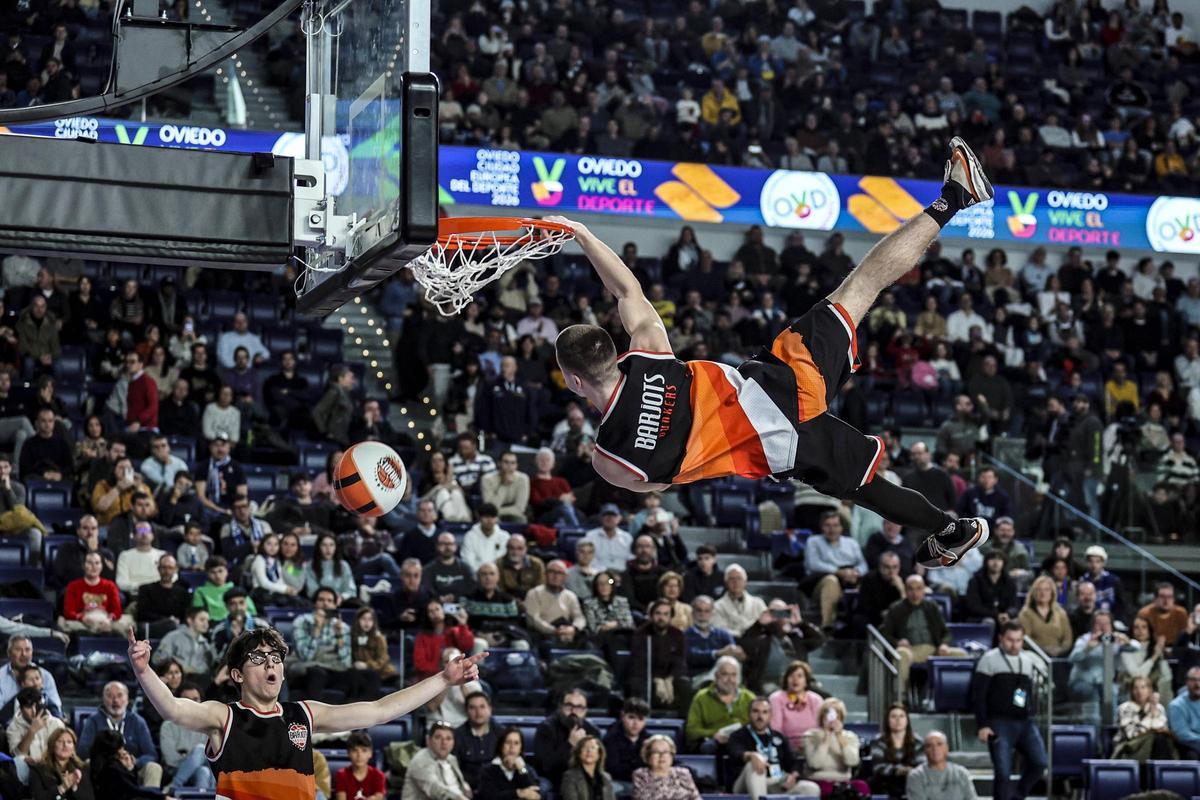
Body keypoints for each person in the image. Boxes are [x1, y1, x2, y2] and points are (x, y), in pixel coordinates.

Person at [550, 141, 995, 568]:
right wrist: (583, 234)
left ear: (573, 380)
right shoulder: (648, 352)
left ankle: (947, 528)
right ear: (612, 348)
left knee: (864, 488)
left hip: (774, 436)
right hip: (778, 376)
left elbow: (665, 483)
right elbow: (627, 289)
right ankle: (954, 195)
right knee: (860, 285)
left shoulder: (609, 458)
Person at [129, 620, 484, 800]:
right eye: (258, 657)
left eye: (275, 657)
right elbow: (174, 708)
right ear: (237, 674)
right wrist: (144, 670)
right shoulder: (224, 716)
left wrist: (443, 679)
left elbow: (379, 711)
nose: (270, 663)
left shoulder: (304, 713)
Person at [973, 622, 1047, 800]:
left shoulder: (1028, 661)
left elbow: (1027, 692)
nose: (1014, 645)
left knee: (1040, 762)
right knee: (1003, 773)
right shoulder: (989, 659)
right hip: (999, 722)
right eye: (1010, 640)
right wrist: (983, 724)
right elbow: (978, 695)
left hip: (1024, 721)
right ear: (1001, 638)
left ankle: (1017, 796)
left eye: (1018, 640)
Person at [287, 586, 380, 701]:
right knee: (317, 673)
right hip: (307, 669)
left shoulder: (342, 627)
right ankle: (314, 717)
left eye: (329, 601)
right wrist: (316, 629)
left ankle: (353, 715)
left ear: (335, 605)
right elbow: (305, 657)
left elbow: (346, 663)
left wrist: (339, 636)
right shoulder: (301, 622)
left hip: (333, 669)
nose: (325, 604)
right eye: (321, 600)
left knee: (371, 676)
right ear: (315, 604)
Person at [880, 575, 968, 694]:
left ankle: (959, 696)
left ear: (924, 590)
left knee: (962, 655)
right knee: (901, 653)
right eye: (911, 589)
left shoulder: (932, 607)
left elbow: (946, 632)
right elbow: (884, 634)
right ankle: (900, 698)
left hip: (933, 649)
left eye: (918, 588)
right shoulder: (896, 608)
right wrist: (897, 642)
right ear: (905, 590)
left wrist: (944, 645)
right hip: (911, 651)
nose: (914, 593)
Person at [728, 696, 818, 799]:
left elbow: (794, 761)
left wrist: (793, 776)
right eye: (755, 711)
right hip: (746, 783)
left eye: (764, 712)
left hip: (776, 781)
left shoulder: (779, 737)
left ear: (771, 715)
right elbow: (736, 753)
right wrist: (752, 756)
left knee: (811, 789)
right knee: (753, 765)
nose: (760, 716)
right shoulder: (738, 735)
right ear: (749, 714)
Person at [78, 681, 162, 788]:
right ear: (103, 700)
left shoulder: (137, 721)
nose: (115, 701)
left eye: (119, 695)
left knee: (154, 768)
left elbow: (151, 754)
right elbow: (82, 752)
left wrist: (134, 762)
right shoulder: (93, 720)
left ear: (127, 699)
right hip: (104, 770)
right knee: (88, 764)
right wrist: (109, 760)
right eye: (110, 696)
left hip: (131, 769)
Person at [801, 511, 868, 629]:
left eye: (836, 525)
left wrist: (856, 573)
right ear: (822, 527)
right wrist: (838, 572)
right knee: (831, 581)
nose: (832, 529)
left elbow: (863, 565)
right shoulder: (813, 541)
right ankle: (828, 626)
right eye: (827, 525)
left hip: (850, 581)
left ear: (842, 527)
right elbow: (814, 564)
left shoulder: (851, 543)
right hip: (819, 583)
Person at [740, 600, 824, 694]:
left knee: (824, 698)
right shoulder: (761, 638)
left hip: (798, 683)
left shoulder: (796, 637)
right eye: (775, 612)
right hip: (769, 684)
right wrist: (758, 625)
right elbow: (744, 644)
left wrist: (801, 623)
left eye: (783, 612)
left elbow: (819, 640)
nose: (779, 616)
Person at [685, 655, 755, 753]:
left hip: (743, 741)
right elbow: (691, 730)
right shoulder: (701, 697)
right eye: (725, 674)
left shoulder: (749, 697)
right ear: (716, 676)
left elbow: (758, 725)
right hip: (715, 743)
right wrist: (714, 734)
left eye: (734, 675)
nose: (730, 679)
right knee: (708, 747)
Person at [532, 689, 601, 787]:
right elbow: (546, 767)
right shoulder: (546, 728)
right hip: (554, 779)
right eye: (569, 706)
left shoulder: (593, 731)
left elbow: (600, 765)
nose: (573, 711)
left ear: (585, 711)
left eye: (579, 707)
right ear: (561, 707)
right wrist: (570, 744)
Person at [629, 600, 688, 713]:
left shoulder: (678, 635)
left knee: (685, 686)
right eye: (658, 613)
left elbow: (680, 662)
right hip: (646, 676)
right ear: (651, 616)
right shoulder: (641, 634)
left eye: (666, 614)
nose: (661, 618)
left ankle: (683, 724)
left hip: (670, 677)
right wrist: (657, 680)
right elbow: (639, 663)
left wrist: (669, 680)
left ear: (671, 617)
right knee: (637, 684)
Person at [58, 551, 134, 636]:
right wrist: (82, 618)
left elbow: (117, 610)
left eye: (97, 563)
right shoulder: (73, 586)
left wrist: (109, 619)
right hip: (82, 622)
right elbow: (69, 611)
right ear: (83, 566)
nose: (93, 566)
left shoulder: (110, 586)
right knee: (65, 624)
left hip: (106, 620)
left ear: (101, 566)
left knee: (123, 626)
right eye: (89, 563)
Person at [1068, 610, 1133, 709]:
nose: (1103, 627)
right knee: (1092, 692)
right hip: (1083, 681)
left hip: (1106, 682)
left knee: (1113, 691)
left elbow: (1136, 648)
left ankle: (1112, 722)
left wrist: (1127, 642)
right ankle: (1094, 723)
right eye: (1099, 624)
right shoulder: (1084, 639)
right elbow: (1072, 658)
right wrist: (1087, 649)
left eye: (1106, 624)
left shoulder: (1116, 639)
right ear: (1093, 625)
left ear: (1111, 626)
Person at [159, 683, 216, 791]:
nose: (192, 704)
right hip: (174, 770)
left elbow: (212, 760)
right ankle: (175, 784)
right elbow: (170, 760)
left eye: (196, 699)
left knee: (203, 771)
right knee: (200, 750)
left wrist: (191, 758)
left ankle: (173, 787)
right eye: (187, 699)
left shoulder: (209, 727)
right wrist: (194, 758)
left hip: (201, 770)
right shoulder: (168, 725)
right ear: (178, 701)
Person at [6, 686, 67, 782]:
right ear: (21, 708)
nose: (34, 711)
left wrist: (44, 762)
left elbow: (64, 751)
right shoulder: (13, 727)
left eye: (37, 705)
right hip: (29, 772)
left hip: (54, 768)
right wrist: (32, 731)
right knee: (19, 761)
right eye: (29, 707)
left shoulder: (56, 724)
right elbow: (17, 755)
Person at [404, 720, 472, 800]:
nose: (444, 742)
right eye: (438, 737)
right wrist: (460, 798)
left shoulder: (451, 759)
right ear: (428, 741)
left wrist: (465, 787)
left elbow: (459, 784)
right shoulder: (421, 760)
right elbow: (434, 788)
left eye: (448, 738)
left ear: (453, 743)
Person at [1113, 675, 1175, 761]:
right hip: (1130, 748)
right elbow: (1132, 734)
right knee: (1158, 739)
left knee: (1161, 739)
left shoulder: (1159, 708)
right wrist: (1150, 716)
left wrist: (1153, 709)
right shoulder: (1125, 708)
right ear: (1131, 691)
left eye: (1143, 687)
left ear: (1150, 690)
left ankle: (1159, 770)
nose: (1139, 691)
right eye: (1135, 688)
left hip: (1154, 746)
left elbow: (1162, 729)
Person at [87, 729, 163, 800]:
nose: (124, 750)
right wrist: (161, 796)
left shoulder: (99, 764)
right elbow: (133, 790)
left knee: (153, 768)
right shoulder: (112, 769)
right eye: (122, 747)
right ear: (115, 749)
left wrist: (130, 768)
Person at [869, 703, 924, 799]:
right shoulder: (878, 741)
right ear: (887, 720)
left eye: (901, 716)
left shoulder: (918, 742)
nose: (898, 720)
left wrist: (907, 771)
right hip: (886, 783)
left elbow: (921, 766)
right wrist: (899, 770)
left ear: (907, 720)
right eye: (893, 716)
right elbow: (878, 767)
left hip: (912, 781)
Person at [768, 661, 823, 751]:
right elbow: (776, 729)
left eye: (800, 676)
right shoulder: (776, 698)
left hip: (813, 747)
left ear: (806, 681)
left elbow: (821, 727)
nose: (795, 679)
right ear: (786, 679)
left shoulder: (816, 699)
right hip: (785, 748)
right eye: (791, 676)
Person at [906, 731, 977, 800]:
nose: (935, 749)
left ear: (947, 748)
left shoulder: (961, 773)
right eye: (929, 746)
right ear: (925, 750)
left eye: (939, 744)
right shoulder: (916, 776)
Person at [155, 607, 218, 682]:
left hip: (196, 681)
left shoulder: (206, 644)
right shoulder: (173, 637)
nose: (206, 624)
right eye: (202, 620)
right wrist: (181, 668)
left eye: (207, 621)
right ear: (190, 620)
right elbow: (157, 659)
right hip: (175, 679)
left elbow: (208, 667)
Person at [477, 727, 541, 800]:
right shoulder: (488, 770)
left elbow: (536, 796)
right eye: (508, 742)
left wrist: (522, 770)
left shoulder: (527, 770)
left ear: (521, 748)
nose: (512, 747)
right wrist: (518, 793)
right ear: (501, 746)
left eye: (516, 743)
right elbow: (489, 797)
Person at [631, 735, 701, 800]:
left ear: (671, 755)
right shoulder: (641, 775)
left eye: (666, 752)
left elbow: (696, 797)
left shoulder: (683, 773)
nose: (662, 755)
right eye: (656, 752)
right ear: (648, 756)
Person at [455, 691, 500, 791]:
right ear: (466, 711)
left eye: (482, 707)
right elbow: (454, 769)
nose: (478, 712)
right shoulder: (456, 735)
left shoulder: (501, 733)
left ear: (490, 709)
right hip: (466, 787)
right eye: (472, 707)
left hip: (497, 787)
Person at [1018, 575, 1073, 657]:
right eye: (1039, 590)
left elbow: (1068, 638)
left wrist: (1060, 650)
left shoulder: (1060, 613)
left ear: (1052, 592)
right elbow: (1026, 640)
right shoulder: (1026, 613)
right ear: (1034, 592)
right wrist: (1044, 650)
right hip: (1034, 654)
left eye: (1046, 590)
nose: (1043, 593)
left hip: (1059, 655)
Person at [601, 697, 648, 792]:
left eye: (640, 719)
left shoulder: (649, 739)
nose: (635, 723)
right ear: (622, 716)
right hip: (619, 782)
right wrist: (642, 762)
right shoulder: (610, 739)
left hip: (645, 781)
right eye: (631, 717)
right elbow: (613, 769)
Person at [1121, 616, 1173, 701]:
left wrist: (1160, 652)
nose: (1140, 631)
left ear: (1149, 630)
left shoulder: (1156, 647)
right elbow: (1137, 675)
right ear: (1132, 630)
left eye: (1144, 627)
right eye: (1136, 627)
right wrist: (1154, 656)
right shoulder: (1126, 649)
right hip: (1132, 689)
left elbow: (1167, 675)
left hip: (1157, 690)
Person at [28, 727, 88, 800]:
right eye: (60, 741)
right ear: (52, 745)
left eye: (69, 742)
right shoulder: (38, 770)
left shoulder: (82, 769)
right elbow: (38, 797)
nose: (65, 745)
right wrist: (61, 788)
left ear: (73, 748)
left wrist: (74, 788)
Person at [964, 549, 1019, 628]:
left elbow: (1014, 605)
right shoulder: (975, 580)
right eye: (992, 559)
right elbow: (973, 606)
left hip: (1004, 616)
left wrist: (1008, 614)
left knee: (1015, 622)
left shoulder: (1009, 581)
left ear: (1004, 563)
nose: (996, 563)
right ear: (986, 561)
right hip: (980, 617)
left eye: (999, 559)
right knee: (989, 622)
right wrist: (996, 615)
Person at [712, 565, 766, 637]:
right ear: (726, 583)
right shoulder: (716, 606)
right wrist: (742, 634)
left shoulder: (758, 603)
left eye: (739, 578)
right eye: (731, 579)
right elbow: (719, 630)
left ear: (745, 582)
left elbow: (766, 625)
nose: (736, 582)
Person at [333, 730, 386, 800]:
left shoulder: (378, 775)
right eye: (354, 750)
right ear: (348, 753)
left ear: (370, 753)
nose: (359, 755)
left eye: (364, 750)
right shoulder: (341, 775)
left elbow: (379, 797)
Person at [561, 735, 615, 800]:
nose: (589, 751)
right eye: (585, 747)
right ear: (578, 753)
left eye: (593, 748)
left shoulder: (606, 777)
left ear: (599, 754)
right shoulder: (570, 776)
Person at [461, 504, 510, 575]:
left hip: (499, 578)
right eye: (486, 517)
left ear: (496, 518)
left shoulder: (505, 537)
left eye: (493, 517)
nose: (489, 520)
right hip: (476, 577)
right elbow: (468, 562)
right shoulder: (469, 537)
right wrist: (484, 574)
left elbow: (506, 561)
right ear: (479, 518)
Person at [583, 505, 632, 573]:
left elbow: (631, 559)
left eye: (613, 515)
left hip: (623, 575)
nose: (609, 518)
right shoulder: (591, 536)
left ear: (619, 518)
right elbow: (587, 559)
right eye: (606, 515)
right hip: (598, 575)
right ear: (600, 518)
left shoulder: (627, 537)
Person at [1167, 666, 1200, 759]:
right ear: (1187, 682)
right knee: (1192, 755)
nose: (1197, 684)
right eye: (1193, 680)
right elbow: (1182, 735)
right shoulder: (1176, 705)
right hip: (1189, 746)